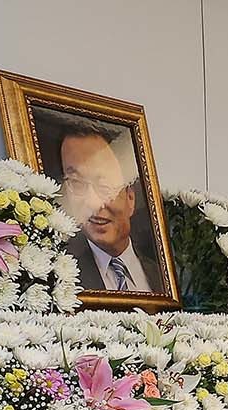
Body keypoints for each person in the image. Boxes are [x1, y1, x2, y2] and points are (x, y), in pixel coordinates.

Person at [56, 121, 160, 293]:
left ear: (130, 197)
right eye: (76, 183)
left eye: (104, 186)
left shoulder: (161, 276)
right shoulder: (59, 275)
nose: (92, 202)